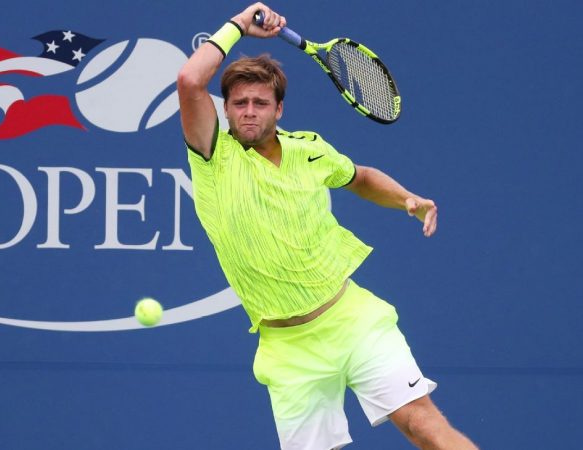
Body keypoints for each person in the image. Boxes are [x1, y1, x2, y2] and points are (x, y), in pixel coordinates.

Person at [177, 3, 478, 449]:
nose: (248, 111)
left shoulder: (310, 150)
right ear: (226, 111)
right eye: (239, 103)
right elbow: (188, 81)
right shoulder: (211, 156)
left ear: (279, 109)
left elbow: (360, 178)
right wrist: (240, 25)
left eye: (260, 103)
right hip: (286, 349)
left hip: (352, 320)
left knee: (422, 425)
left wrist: (406, 200)